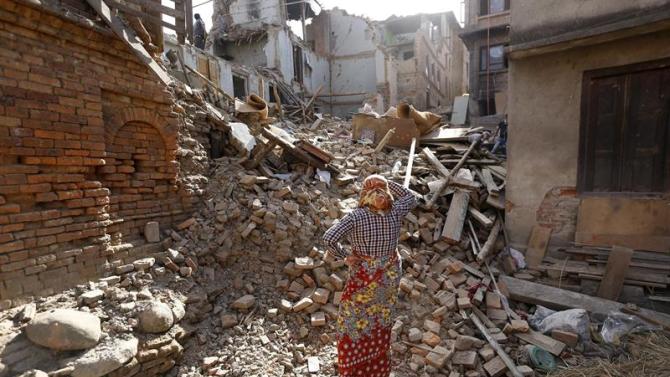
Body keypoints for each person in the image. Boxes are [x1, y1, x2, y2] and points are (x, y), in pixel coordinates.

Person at [323, 175, 417, 377]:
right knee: (381, 318)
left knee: (353, 319)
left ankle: (353, 365)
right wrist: (384, 181)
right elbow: (410, 197)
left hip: (366, 274)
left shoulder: (356, 216)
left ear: (364, 195)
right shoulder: (395, 212)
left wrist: (346, 257)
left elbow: (329, 238)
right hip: (389, 274)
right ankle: (377, 368)